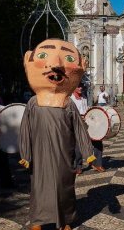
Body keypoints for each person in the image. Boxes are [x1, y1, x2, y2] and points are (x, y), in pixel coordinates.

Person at [19, 39, 96, 230]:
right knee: (39, 188)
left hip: (64, 154)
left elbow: (80, 129)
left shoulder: (68, 103)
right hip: (40, 154)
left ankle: (65, 221)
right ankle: (38, 219)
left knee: (64, 187)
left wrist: (89, 154)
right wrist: (25, 154)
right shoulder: (33, 103)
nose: (56, 65)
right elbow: (25, 129)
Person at [71, 84, 89, 175]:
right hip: (72, 124)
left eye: (81, 87)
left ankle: (78, 166)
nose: (80, 88)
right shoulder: (70, 99)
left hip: (82, 125)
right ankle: (71, 165)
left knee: (79, 147)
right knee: (71, 146)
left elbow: (86, 110)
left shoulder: (84, 98)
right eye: (78, 86)